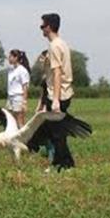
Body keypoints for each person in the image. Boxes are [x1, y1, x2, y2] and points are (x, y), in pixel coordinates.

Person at [40, 13, 76, 171]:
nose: (41, 29)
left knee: (56, 133)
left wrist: (55, 99)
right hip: (65, 92)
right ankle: (67, 162)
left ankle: (60, 164)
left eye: (42, 26)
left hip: (58, 94)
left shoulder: (54, 45)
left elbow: (57, 73)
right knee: (57, 131)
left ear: (49, 27)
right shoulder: (62, 43)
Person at [6, 49, 31, 127]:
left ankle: (23, 138)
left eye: (10, 56)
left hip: (18, 97)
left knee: (20, 121)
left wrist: (24, 102)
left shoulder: (22, 70)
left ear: (16, 57)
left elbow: (25, 87)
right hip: (10, 97)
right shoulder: (11, 70)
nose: (8, 58)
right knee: (11, 120)